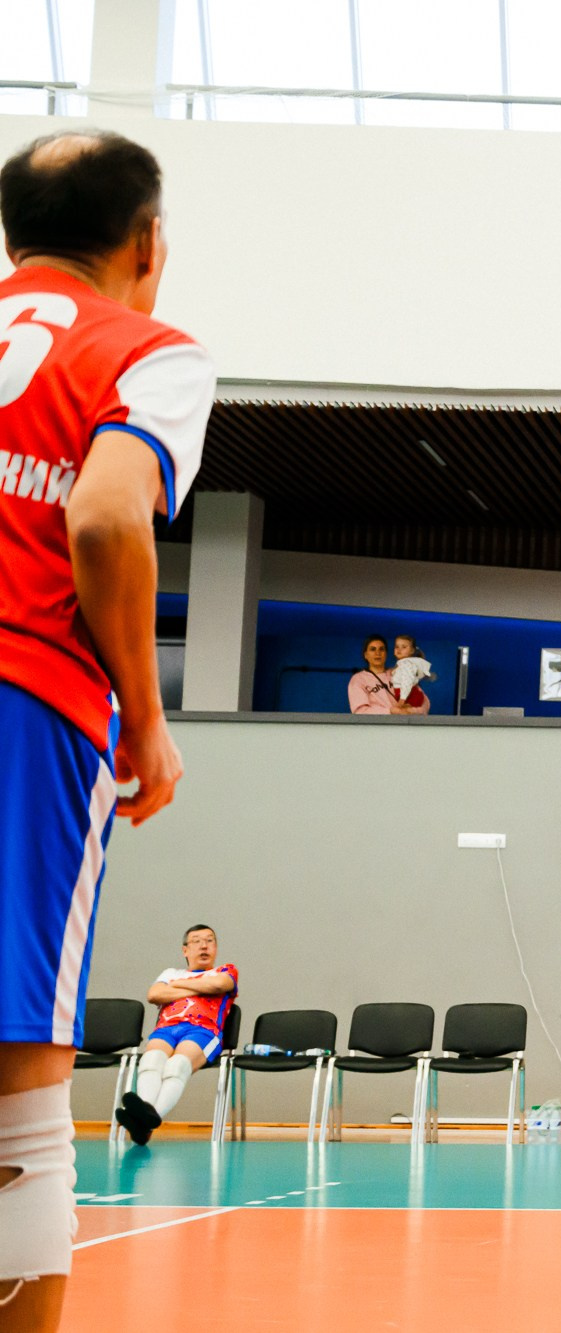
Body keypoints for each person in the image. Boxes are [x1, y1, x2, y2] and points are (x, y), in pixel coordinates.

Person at [0, 129, 213, 1327]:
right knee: (22, 1088)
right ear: (148, 246)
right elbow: (103, 520)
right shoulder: (146, 352)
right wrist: (144, 714)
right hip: (24, 703)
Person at [112, 926, 238, 1146]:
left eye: (209, 941)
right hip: (167, 1028)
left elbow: (219, 984)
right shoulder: (170, 972)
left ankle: (145, 1121)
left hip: (203, 1031)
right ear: (185, 950)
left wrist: (178, 986)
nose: (204, 945)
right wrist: (200, 987)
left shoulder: (225, 971)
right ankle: (145, 1118)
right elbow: (154, 994)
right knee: (151, 1061)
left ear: (215, 948)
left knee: (177, 1065)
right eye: (197, 941)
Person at [348, 635, 427, 715]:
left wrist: (410, 711)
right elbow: (360, 711)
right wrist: (391, 711)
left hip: (405, 724)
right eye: (373, 649)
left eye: (381, 649)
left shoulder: (399, 671)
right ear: (366, 655)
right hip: (379, 726)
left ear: (386, 654)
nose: (377, 653)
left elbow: (425, 703)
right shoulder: (358, 679)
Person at [390, 634, 433, 711]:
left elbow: (407, 681)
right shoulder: (401, 664)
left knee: (399, 713)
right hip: (406, 695)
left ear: (412, 651)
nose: (399, 649)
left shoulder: (407, 664)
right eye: (397, 647)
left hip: (410, 696)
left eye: (404, 647)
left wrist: (402, 699)